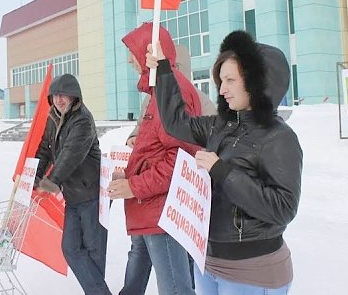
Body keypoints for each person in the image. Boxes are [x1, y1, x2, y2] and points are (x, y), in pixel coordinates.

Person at [146, 30, 303, 294]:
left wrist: (222, 171)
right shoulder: (222, 125)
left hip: (252, 270)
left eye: (230, 80)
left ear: (257, 83)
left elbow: (283, 208)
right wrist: (163, 70)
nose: (223, 89)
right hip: (209, 260)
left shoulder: (280, 138)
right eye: (221, 80)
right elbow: (177, 123)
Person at [109, 23, 205, 295]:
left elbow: (180, 159)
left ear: (149, 52)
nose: (129, 59)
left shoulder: (172, 91)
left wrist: (134, 186)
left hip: (163, 210)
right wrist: (128, 177)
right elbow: (155, 150)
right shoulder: (160, 91)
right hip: (153, 206)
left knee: (176, 289)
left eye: (133, 51)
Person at [34, 73, 111, 295]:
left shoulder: (82, 120)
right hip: (74, 196)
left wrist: (52, 181)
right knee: (70, 248)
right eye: (56, 95)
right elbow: (44, 150)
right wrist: (34, 177)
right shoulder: (54, 117)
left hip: (92, 194)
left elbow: (70, 154)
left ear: (74, 96)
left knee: (93, 251)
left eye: (64, 95)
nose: (59, 100)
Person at [126, 43, 216, 148]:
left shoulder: (200, 100)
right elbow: (142, 124)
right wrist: (134, 136)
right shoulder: (151, 97)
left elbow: (211, 138)